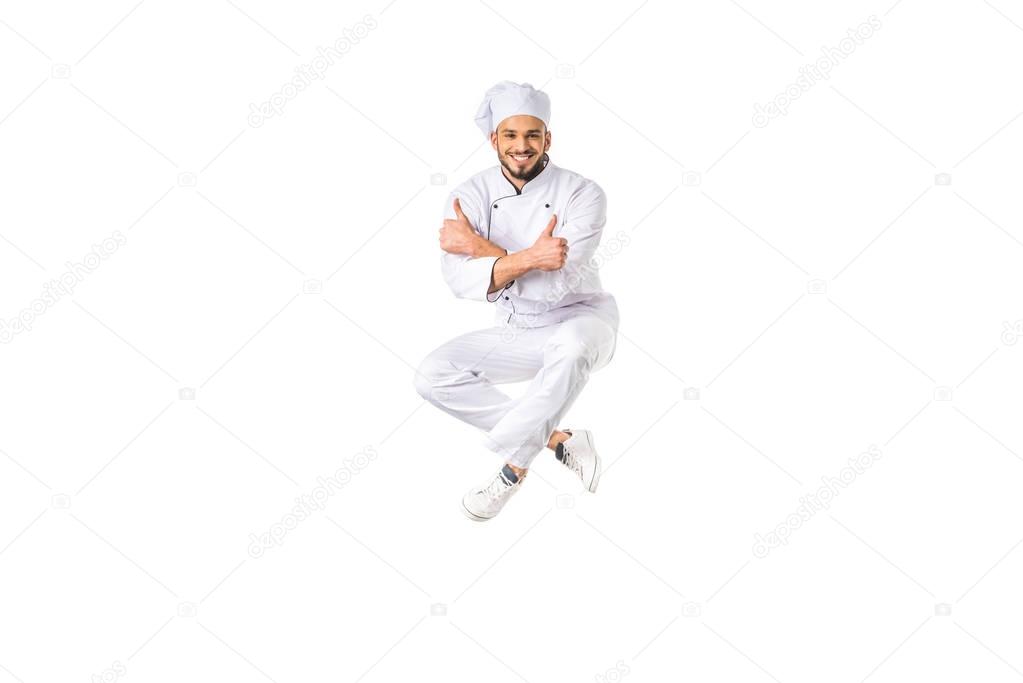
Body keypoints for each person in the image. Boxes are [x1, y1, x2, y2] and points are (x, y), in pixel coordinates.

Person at [414, 81, 620, 521]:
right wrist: (531, 258)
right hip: (517, 328)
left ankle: (512, 471)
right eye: (510, 136)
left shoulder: (584, 193)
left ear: (548, 139)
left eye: (532, 135)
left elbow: (555, 286)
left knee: (572, 348)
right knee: (432, 376)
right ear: (495, 140)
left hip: (582, 319)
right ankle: (559, 441)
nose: (521, 147)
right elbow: (458, 280)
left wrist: (481, 250)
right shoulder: (469, 195)